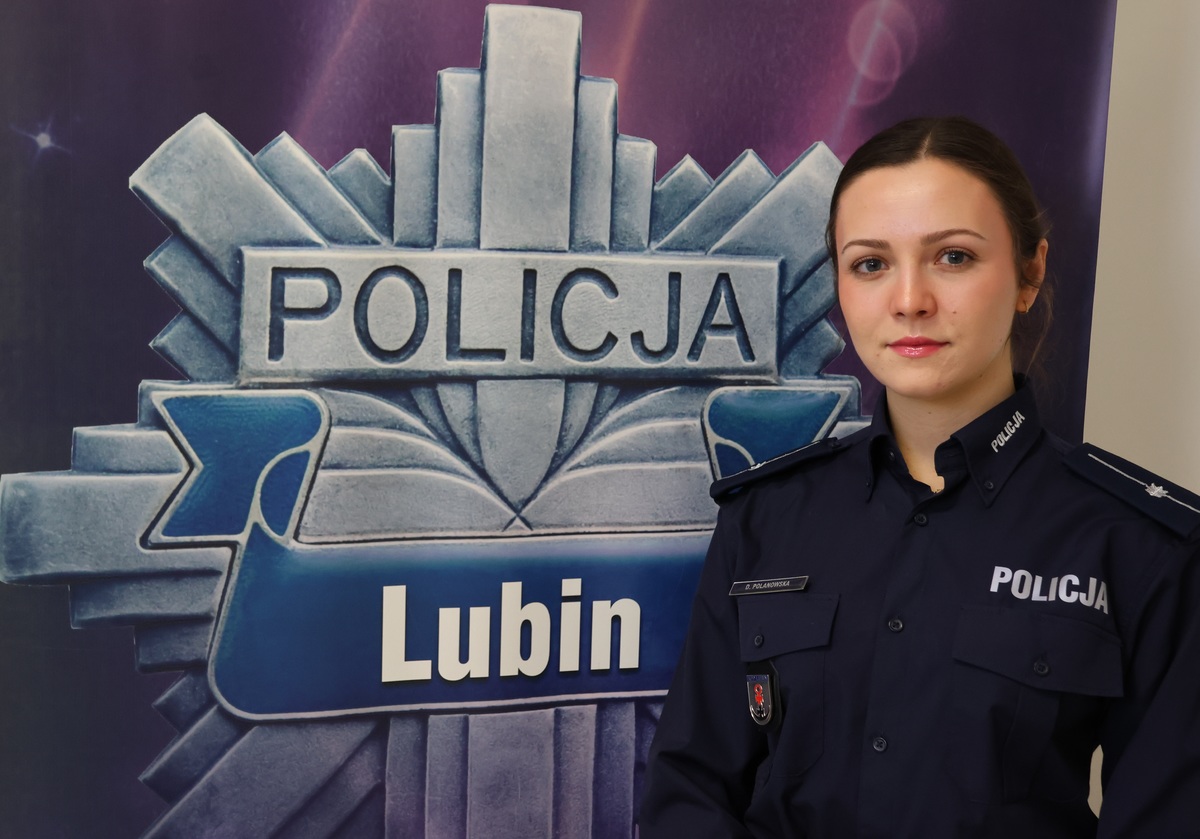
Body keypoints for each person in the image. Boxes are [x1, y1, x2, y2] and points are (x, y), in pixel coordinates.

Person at [638, 116, 1200, 837]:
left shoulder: (1141, 544)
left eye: (953, 257)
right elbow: (689, 791)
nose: (909, 300)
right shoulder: (766, 516)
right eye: (871, 264)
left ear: (1029, 273)